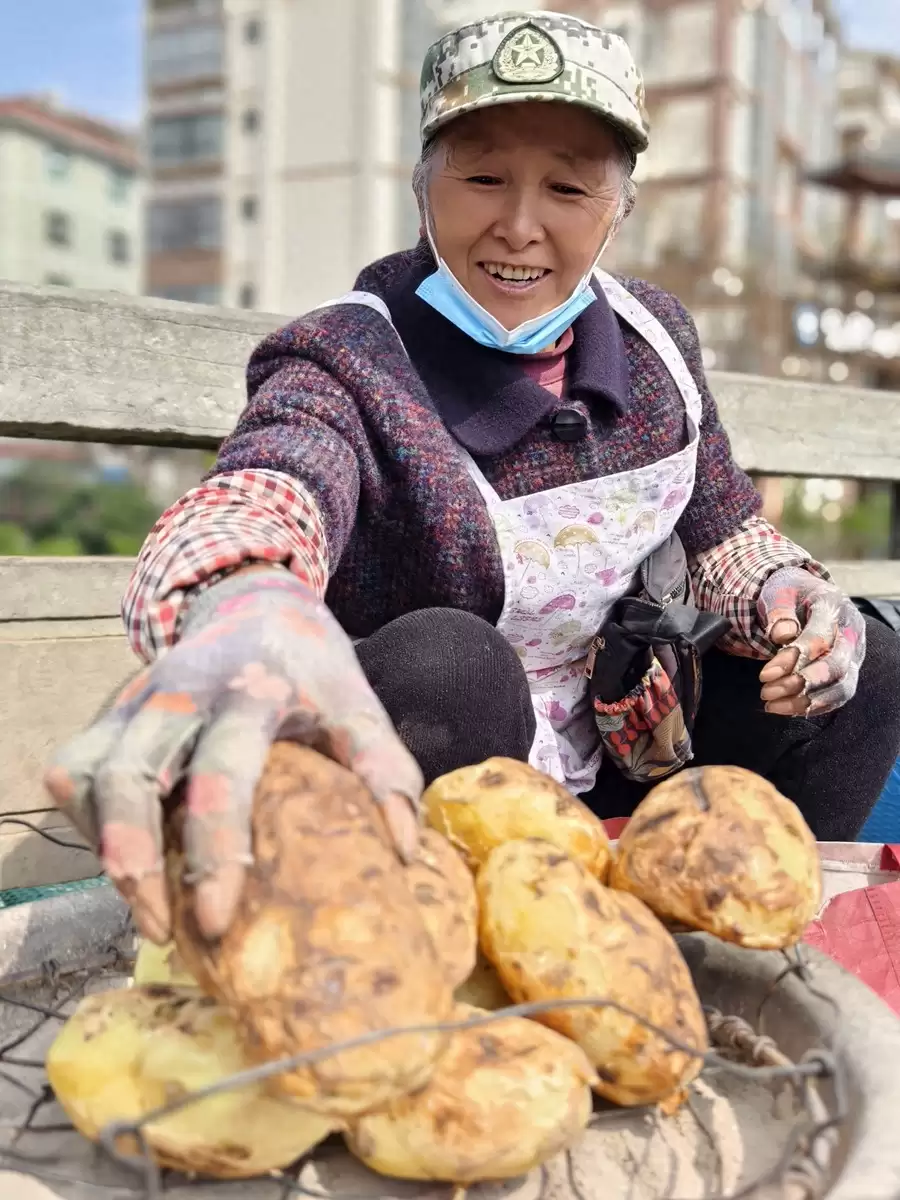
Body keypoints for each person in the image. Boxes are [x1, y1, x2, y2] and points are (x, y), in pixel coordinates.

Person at [45, 11, 900, 946]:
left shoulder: (656, 340)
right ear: (423, 186)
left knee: (871, 659)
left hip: (625, 742)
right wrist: (243, 598)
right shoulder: (346, 358)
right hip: (430, 763)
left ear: (620, 206)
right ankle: (424, 954)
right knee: (451, 665)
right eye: (482, 176)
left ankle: (747, 953)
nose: (520, 227)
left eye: (569, 187)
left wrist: (783, 593)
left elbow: (723, 528)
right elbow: (270, 482)